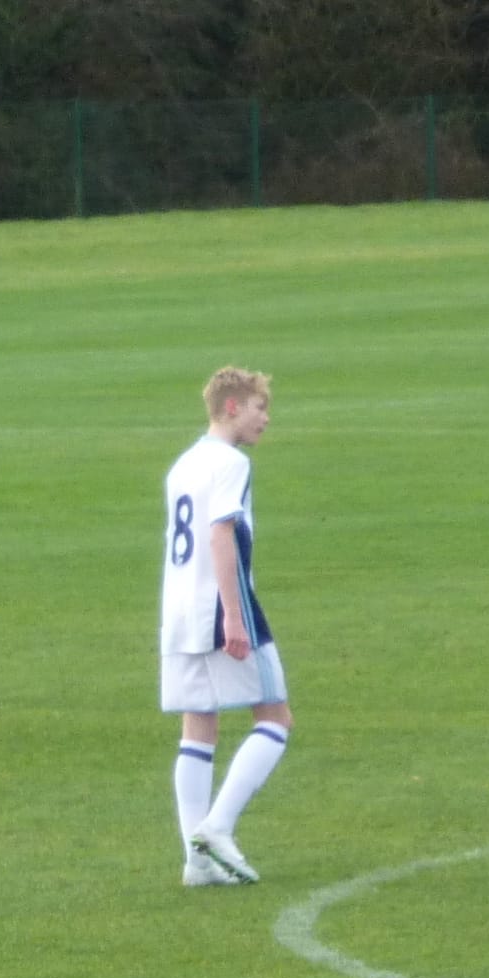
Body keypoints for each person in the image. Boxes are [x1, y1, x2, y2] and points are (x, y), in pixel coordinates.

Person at [163, 367, 289, 887]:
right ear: (233, 407)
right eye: (261, 409)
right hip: (221, 606)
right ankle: (217, 828)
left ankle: (196, 862)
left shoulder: (183, 464)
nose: (266, 420)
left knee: (198, 725)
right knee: (276, 718)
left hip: (177, 610)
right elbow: (221, 536)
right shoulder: (230, 463)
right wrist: (235, 617)